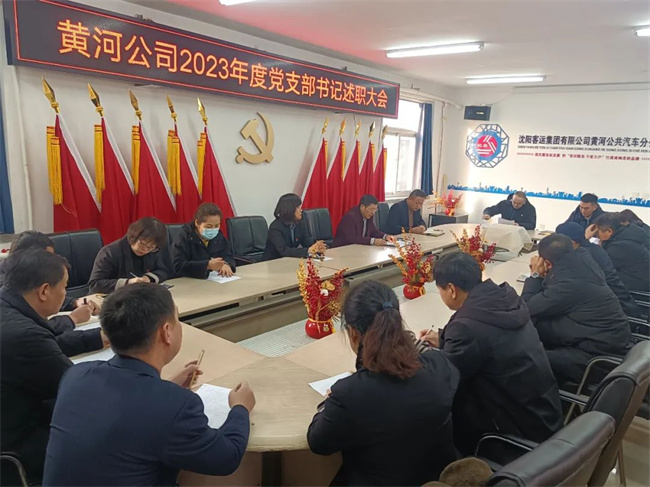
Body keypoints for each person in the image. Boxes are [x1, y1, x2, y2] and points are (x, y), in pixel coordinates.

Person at [43, 284, 256, 485]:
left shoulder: (76, 375)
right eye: (177, 319)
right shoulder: (174, 406)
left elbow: (126, 409)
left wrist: (167, 387)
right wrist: (240, 408)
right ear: (166, 332)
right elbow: (227, 457)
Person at [307, 281, 459, 486]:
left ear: (353, 333)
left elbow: (318, 442)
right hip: (437, 480)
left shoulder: (350, 393)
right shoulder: (439, 365)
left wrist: (328, 401)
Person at [419, 252, 562, 455]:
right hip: (544, 413)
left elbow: (444, 379)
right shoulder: (506, 298)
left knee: (435, 408)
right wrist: (443, 338)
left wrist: (415, 356)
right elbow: (487, 338)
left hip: (516, 432)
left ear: (451, 289)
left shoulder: (466, 327)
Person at [1, 250, 108, 483]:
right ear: (44, 291)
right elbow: (78, 390)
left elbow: (46, 346)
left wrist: (97, 337)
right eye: (65, 286)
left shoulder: (8, 309)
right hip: (19, 448)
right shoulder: (25, 336)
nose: (66, 294)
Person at [522, 234, 630, 386]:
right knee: (530, 333)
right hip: (605, 342)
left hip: (595, 359)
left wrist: (535, 276)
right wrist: (547, 276)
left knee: (521, 358)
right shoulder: (582, 264)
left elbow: (525, 309)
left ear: (547, 263)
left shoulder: (569, 283)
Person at [0, 231, 100, 331]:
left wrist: (74, 302)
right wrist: (73, 318)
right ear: (29, 259)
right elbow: (33, 329)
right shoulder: (8, 287)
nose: (54, 263)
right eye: (48, 258)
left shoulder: (18, 277)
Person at [556, 222, 643, 319]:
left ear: (571, 242)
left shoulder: (580, 257)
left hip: (610, 312)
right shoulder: (596, 249)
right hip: (623, 304)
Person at [89, 217, 173, 293]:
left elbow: (164, 270)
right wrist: (128, 282)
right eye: (142, 244)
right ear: (133, 236)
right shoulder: (110, 252)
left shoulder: (154, 251)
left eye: (151, 247)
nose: (145, 250)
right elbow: (95, 284)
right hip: (110, 297)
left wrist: (148, 278)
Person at [172, 203, 237, 279]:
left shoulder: (218, 234)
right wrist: (207, 265)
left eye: (217, 225)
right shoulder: (183, 236)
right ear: (197, 223)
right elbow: (178, 266)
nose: (213, 229)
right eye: (208, 226)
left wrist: (226, 264)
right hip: (189, 281)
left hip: (215, 279)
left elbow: (228, 254)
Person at [590, 213, 650, 292]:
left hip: (638, 285)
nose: (596, 235)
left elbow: (600, 266)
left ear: (609, 231)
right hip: (638, 279)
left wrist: (586, 240)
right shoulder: (625, 236)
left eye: (598, 232)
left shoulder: (620, 247)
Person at [262, 193, 326, 261]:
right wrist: (308, 250)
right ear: (290, 209)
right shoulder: (275, 228)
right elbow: (284, 251)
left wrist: (317, 247)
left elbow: (307, 243)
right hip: (273, 262)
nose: (301, 210)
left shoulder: (300, 223)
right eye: (298, 207)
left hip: (290, 260)